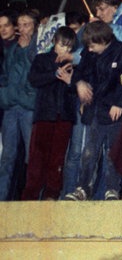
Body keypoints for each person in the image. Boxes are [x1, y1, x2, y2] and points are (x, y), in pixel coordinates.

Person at [63, 21, 122, 201]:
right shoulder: (89, 52)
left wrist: (119, 102)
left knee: (113, 152)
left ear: (104, 40)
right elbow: (80, 72)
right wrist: (78, 83)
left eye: (93, 45)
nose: (90, 49)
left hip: (115, 112)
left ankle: (112, 189)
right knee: (89, 152)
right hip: (95, 109)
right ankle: (82, 189)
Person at [21, 27, 77, 200]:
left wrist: (71, 81)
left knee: (58, 158)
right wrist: (54, 74)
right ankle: (30, 195)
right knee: (38, 157)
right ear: (54, 42)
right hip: (45, 114)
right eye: (62, 44)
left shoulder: (74, 63)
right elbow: (34, 79)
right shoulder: (42, 59)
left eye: (69, 46)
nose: (65, 49)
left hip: (64, 116)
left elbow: (77, 89)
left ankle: (51, 195)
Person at [0, 10, 39, 200]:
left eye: (27, 25)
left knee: (31, 156)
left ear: (35, 27)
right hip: (11, 107)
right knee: (7, 156)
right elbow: (6, 72)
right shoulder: (11, 48)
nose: (22, 29)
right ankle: (2, 198)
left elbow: (33, 73)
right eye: (20, 25)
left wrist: (25, 51)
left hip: (28, 107)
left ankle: (32, 198)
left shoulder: (39, 47)